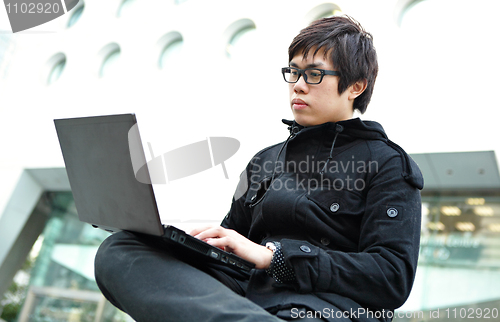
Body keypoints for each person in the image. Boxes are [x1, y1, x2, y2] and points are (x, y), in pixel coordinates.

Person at [94, 15, 423, 322]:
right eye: (293, 72)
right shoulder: (264, 161)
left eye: (314, 74)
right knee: (122, 249)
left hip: (320, 308)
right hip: (243, 298)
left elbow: (391, 276)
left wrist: (277, 256)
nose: (297, 85)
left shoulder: (387, 163)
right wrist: (178, 241)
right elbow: (228, 248)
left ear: (356, 86)